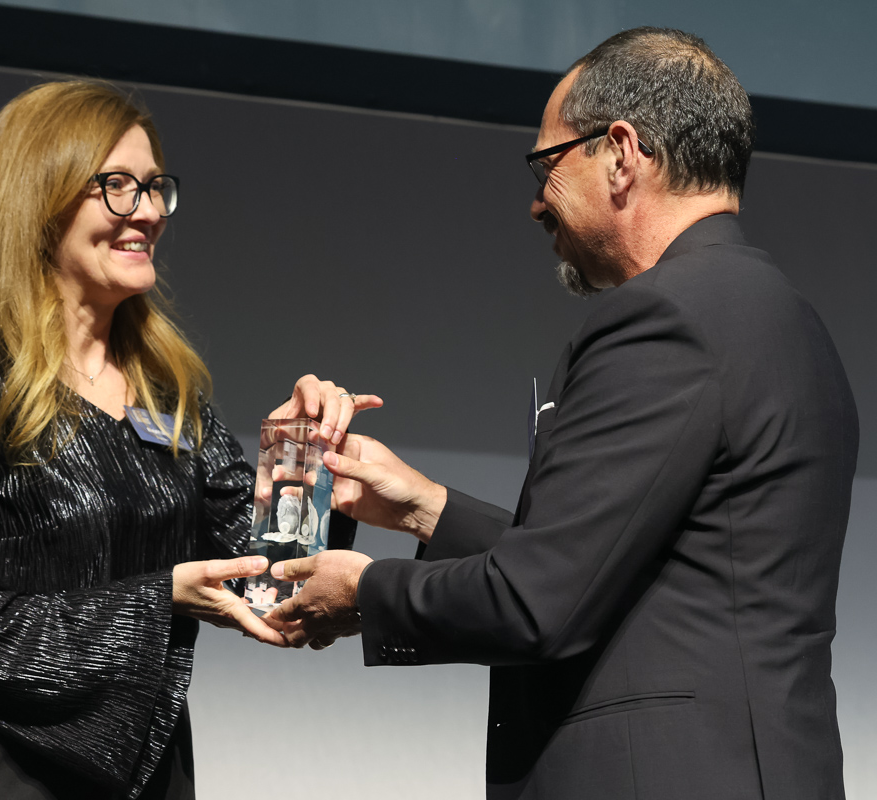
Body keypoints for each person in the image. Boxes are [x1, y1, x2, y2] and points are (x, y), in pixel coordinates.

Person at [264, 27, 858, 799]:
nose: (537, 202)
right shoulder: (788, 321)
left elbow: (537, 603)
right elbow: (619, 568)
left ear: (621, 154)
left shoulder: (664, 318)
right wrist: (423, 508)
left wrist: (363, 591)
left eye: (547, 165)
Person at [0, 80, 376, 800]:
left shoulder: (167, 388)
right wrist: (156, 600)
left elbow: (267, 580)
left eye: (155, 188)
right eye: (116, 187)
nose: (149, 211)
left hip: (149, 768)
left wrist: (303, 458)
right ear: (39, 197)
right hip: (7, 766)